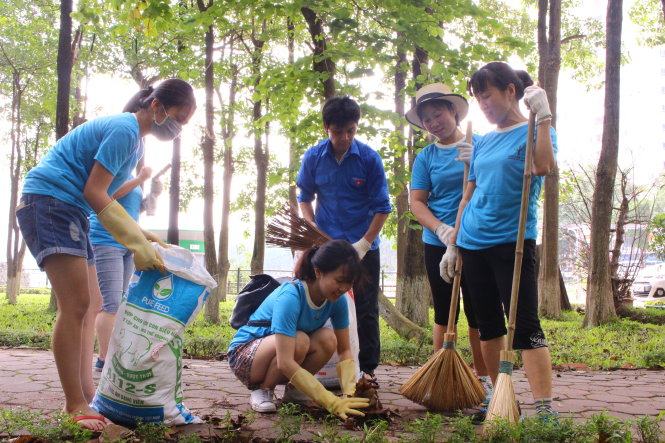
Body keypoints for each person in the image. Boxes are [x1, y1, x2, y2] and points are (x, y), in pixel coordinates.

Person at [16, 79, 196, 430]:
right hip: (50, 203)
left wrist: (144, 237)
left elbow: (106, 200)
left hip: (69, 209)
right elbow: (95, 193)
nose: (178, 129)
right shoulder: (125, 130)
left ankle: (86, 394)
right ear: (157, 107)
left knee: (89, 308)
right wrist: (136, 245)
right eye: (179, 118)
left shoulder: (131, 138)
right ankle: (75, 404)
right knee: (77, 306)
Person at [444, 62, 557, 418]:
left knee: (524, 325)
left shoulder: (533, 129)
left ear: (510, 91)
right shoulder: (483, 141)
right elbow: (467, 195)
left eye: (487, 94)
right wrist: (453, 242)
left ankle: (544, 407)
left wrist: (544, 119)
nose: (483, 104)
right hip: (473, 242)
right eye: (478, 98)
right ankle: (503, 402)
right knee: (487, 325)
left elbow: (543, 167)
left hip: (514, 242)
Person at [405, 83, 491, 398]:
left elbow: (492, 185)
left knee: (479, 312)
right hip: (437, 242)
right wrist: (442, 230)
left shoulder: (478, 145)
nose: (433, 122)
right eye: (426, 118)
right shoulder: (425, 157)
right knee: (444, 311)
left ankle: (485, 382)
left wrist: (478, 161)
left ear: (453, 111)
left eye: (438, 113)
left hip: (476, 240)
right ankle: (439, 381)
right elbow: (416, 203)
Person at [296, 96, 392, 380]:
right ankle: (317, 366)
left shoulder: (369, 159)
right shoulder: (313, 158)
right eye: (338, 132)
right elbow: (304, 197)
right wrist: (312, 227)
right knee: (317, 301)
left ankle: (368, 370)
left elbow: (382, 208)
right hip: (325, 247)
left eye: (350, 131)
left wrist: (363, 244)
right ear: (327, 128)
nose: (344, 138)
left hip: (363, 246)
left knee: (365, 307)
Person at [227, 240, 370, 417]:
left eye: (349, 282)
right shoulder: (291, 296)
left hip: (281, 353)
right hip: (244, 355)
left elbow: (345, 350)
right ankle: (264, 390)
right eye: (340, 280)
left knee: (328, 339)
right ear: (318, 272)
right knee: (300, 340)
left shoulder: (337, 300)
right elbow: (285, 362)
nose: (344, 288)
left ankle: (295, 392)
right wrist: (329, 400)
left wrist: (349, 393)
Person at [91, 166, 165, 372]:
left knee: (121, 301)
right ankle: (104, 359)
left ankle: (112, 355)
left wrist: (153, 193)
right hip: (105, 240)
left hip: (127, 243)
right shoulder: (108, 172)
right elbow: (106, 196)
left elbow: (130, 209)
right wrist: (140, 179)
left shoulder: (130, 177)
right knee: (111, 303)